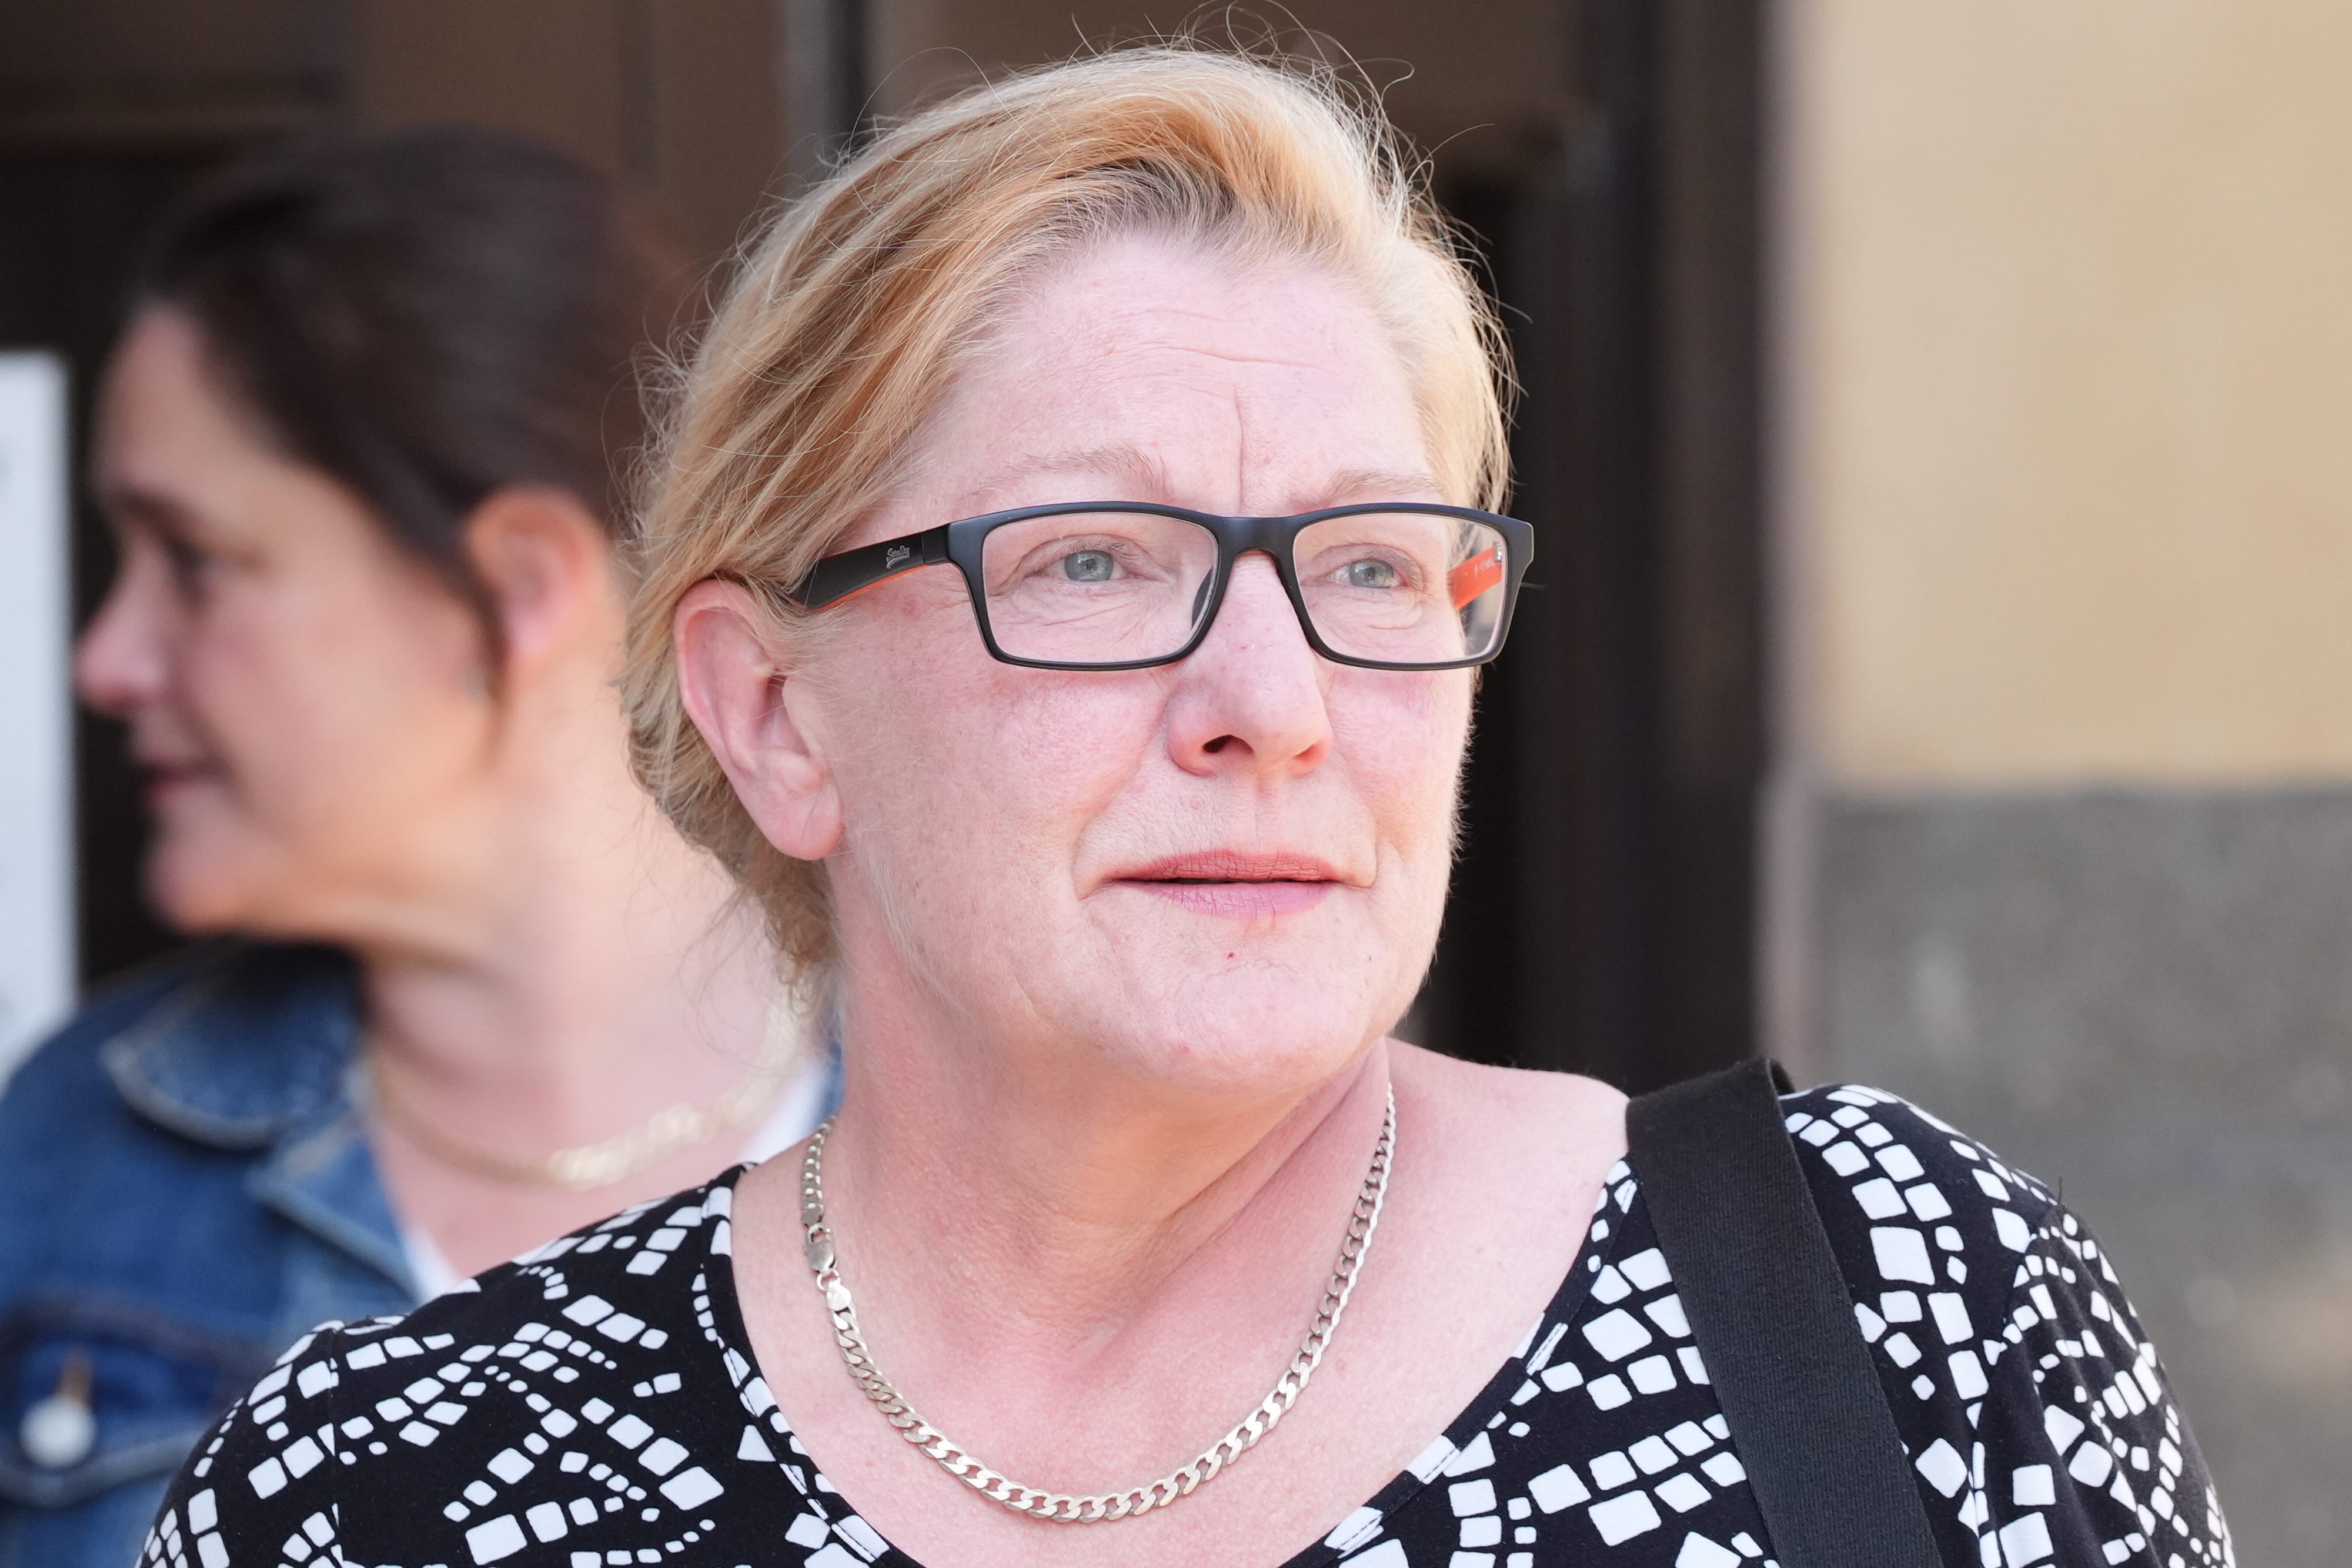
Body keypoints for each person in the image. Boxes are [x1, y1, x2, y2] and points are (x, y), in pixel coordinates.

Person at [144, 50, 2232, 1568]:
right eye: (1094, 562)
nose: (1274, 704)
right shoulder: (394, 1489)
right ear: (773, 708)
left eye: (1370, 567)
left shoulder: (1886, 1307)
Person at [0, 130, 834, 1566]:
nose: (109, 658)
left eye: (195, 558)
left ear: (508, 593)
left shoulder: (993, 1130)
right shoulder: (75, 1157)